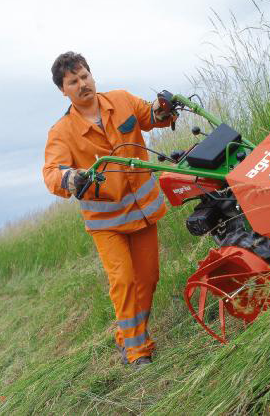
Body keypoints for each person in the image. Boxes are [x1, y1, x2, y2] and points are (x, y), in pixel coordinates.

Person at [42, 52, 175, 367]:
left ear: (91, 74)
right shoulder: (61, 132)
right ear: (64, 90)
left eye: (84, 76)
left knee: (148, 278)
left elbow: (150, 116)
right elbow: (51, 173)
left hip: (143, 212)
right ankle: (137, 351)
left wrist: (163, 108)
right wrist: (70, 177)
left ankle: (127, 334)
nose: (82, 84)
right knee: (124, 281)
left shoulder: (122, 100)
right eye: (73, 82)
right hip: (107, 223)